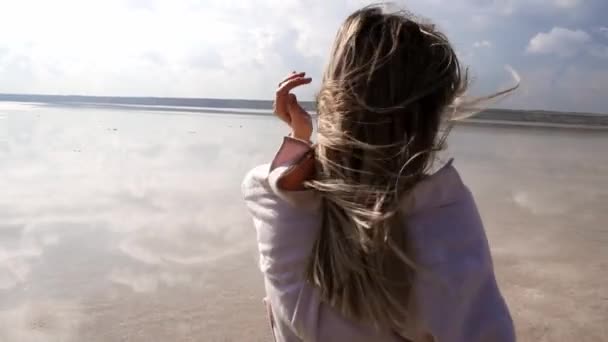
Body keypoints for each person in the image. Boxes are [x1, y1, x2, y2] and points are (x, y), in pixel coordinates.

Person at [242, 4, 517, 342]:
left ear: (332, 95)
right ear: (431, 118)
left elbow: (294, 190)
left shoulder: (273, 204)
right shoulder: (442, 220)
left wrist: (300, 136)